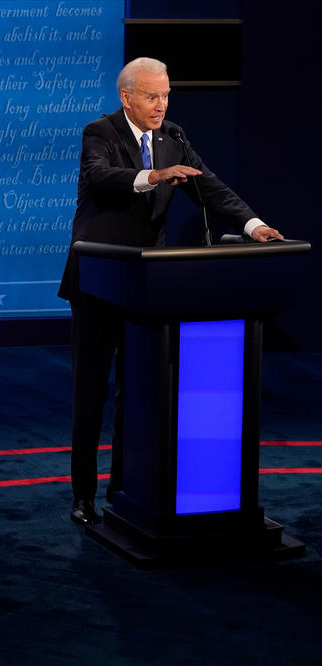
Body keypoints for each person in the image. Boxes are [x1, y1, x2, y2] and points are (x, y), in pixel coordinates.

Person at [57, 57, 283, 526]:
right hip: (99, 282)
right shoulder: (100, 133)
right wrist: (152, 177)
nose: (160, 105)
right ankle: (83, 495)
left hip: (148, 286)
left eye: (165, 96)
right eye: (151, 96)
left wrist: (253, 225)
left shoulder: (173, 137)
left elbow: (212, 189)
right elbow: (101, 176)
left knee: (135, 394)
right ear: (127, 97)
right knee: (91, 393)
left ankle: (123, 488)